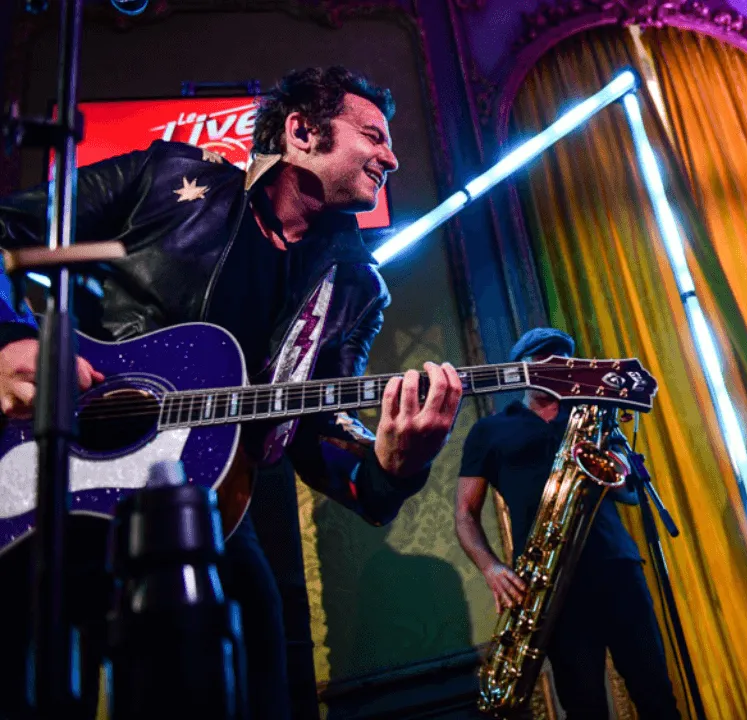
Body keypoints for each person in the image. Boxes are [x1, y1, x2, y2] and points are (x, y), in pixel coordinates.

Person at [0, 66, 464, 719]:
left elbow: (314, 431)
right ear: (301, 132)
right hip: (50, 475)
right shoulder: (163, 179)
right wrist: (7, 340)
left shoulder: (355, 288)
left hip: (205, 506)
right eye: (373, 136)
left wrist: (393, 466)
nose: (392, 158)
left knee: (258, 670)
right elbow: (6, 228)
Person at [455, 327, 681, 719]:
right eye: (543, 361)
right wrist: (491, 568)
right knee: (584, 707)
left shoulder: (592, 416)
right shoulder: (489, 431)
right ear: (521, 369)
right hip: (551, 583)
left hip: (616, 567)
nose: (554, 369)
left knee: (656, 696)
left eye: (562, 362)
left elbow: (627, 491)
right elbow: (464, 515)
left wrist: (617, 462)